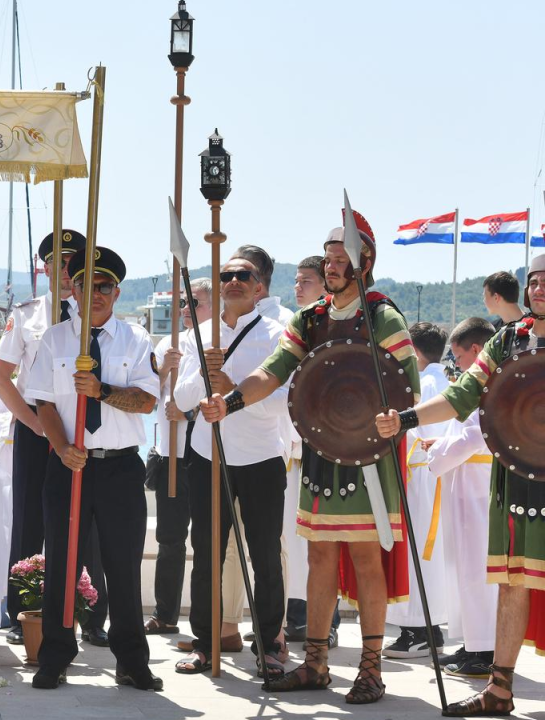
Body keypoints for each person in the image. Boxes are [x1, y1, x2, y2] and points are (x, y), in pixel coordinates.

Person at [199, 213, 416, 705]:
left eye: (341, 261)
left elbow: (407, 390)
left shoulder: (383, 317)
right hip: (322, 452)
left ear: (365, 263)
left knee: (364, 557)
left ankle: (370, 669)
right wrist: (228, 404)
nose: (332, 267)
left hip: (365, 456)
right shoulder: (312, 317)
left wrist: (384, 424)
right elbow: (273, 371)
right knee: (319, 555)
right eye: (329, 259)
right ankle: (315, 663)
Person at [376, 254, 545, 715]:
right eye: (533, 281)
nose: (538, 288)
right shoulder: (509, 339)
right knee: (512, 582)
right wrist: (406, 418)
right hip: (516, 481)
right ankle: (499, 693)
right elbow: (460, 396)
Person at [23, 245, 160, 691]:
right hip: (70, 466)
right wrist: (61, 448)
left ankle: (132, 660)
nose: (95, 293)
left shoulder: (137, 340)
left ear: (116, 292)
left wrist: (100, 391)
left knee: (123, 566)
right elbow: (43, 401)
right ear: (74, 291)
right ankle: (56, 655)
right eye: (87, 285)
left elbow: (147, 401)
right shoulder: (56, 339)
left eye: (104, 286)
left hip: (119, 469)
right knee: (61, 562)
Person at [172, 258, 288, 677]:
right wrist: (206, 371)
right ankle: (204, 642)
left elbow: (281, 402)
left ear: (260, 288)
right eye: (227, 276)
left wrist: (233, 391)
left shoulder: (278, 336)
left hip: (260, 457)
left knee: (265, 555)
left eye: (245, 276)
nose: (235, 281)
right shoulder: (199, 335)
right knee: (205, 553)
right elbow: (182, 400)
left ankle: (270, 644)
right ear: (219, 287)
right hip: (208, 456)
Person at [0, 229, 109, 647]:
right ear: (43, 269)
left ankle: (93, 616)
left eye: (71, 262)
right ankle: (20, 611)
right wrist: (32, 422)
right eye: (56, 263)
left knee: (89, 521)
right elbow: (2, 378)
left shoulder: (96, 315)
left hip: (85, 431)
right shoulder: (26, 315)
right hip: (36, 432)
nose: (63, 271)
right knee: (28, 519)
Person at [420, 317, 498, 679]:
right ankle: (472, 644)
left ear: (478, 351)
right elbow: (460, 432)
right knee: (463, 569)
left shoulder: (493, 384)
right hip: (464, 481)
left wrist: (438, 455)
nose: (457, 365)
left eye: (460, 356)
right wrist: (441, 446)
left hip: (478, 487)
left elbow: (473, 436)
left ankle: (484, 651)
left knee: (476, 571)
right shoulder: (476, 384)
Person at [144, 278, 211, 636]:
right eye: (184, 303)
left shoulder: (218, 341)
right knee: (169, 538)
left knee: (205, 539)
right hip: (172, 453)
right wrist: (163, 369)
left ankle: (206, 620)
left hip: (204, 453)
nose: (186, 309)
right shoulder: (168, 343)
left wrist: (187, 415)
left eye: (195, 303)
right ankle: (165, 613)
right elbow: (147, 397)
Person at [383, 322, 450, 658]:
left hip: (419, 476)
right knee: (428, 558)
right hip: (430, 475)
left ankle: (417, 630)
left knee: (415, 558)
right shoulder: (445, 379)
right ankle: (429, 628)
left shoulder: (422, 383)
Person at [284, 254, 332, 643]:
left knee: (323, 543)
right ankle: (295, 616)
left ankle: (326, 626)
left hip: (325, 453)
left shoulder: (332, 331)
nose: (299, 287)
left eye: (307, 281)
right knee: (292, 545)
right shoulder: (295, 329)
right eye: (297, 281)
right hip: (290, 454)